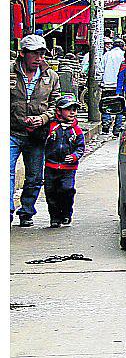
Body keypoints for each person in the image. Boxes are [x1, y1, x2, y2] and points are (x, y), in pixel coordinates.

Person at [11, 34, 59, 227]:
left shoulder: (51, 77)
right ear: (23, 54)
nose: (39, 58)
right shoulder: (9, 72)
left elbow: (55, 104)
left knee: (34, 177)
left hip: (37, 134)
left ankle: (27, 211)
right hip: (12, 132)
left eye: (42, 54)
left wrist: (42, 119)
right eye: (34, 54)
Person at [41, 94, 85, 228]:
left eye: (74, 109)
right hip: (51, 166)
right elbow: (40, 139)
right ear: (59, 111)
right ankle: (54, 217)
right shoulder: (52, 127)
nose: (72, 112)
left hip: (68, 169)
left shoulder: (76, 131)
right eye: (68, 109)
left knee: (66, 190)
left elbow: (80, 147)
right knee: (50, 192)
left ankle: (66, 213)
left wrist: (74, 156)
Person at [100, 38, 125, 131]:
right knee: (120, 106)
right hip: (120, 86)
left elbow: (100, 69)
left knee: (106, 104)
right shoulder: (124, 55)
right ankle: (117, 127)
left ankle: (106, 123)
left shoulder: (107, 55)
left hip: (107, 84)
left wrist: (100, 82)